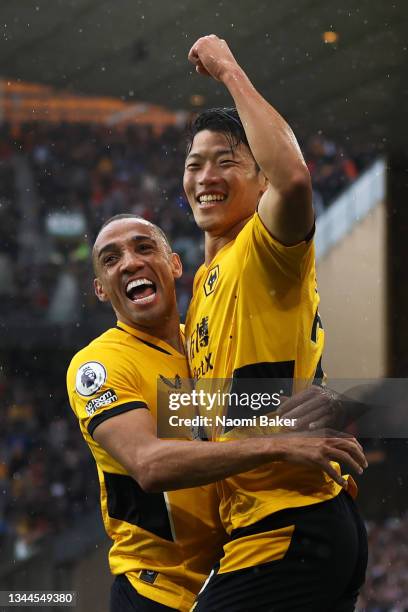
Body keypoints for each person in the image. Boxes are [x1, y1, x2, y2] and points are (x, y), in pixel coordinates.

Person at [67, 214, 366, 612]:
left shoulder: (203, 348)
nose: (129, 262)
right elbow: (149, 464)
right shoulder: (100, 364)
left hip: (236, 572)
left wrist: (332, 400)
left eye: (143, 247)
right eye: (110, 259)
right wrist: (278, 447)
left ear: (175, 264)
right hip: (158, 591)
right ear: (101, 290)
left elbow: (257, 415)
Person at [184, 35, 368, 611]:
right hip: (279, 528)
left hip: (288, 525)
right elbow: (231, 404)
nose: (205, 175)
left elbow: (292, 179)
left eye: (226, 161)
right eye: (194, 164)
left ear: (259, 181)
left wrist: (229, 69)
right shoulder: (201, 286)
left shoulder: (264, 248)